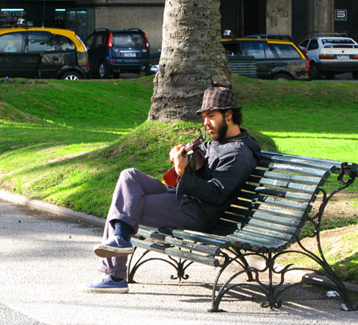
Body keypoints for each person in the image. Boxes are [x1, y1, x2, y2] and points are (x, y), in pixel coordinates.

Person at [84, 86, 262, 293]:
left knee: (126, 204)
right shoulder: (220, 140)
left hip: (196, 212)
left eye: (211, 116)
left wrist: (182, 172)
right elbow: (201, 151)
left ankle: (115, 276)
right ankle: (121, 239)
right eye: (204, 117)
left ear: (229, 115)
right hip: (181, 197)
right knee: (129, 176)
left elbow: (216, 194)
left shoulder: (238, 154)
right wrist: (180, 150)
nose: (206, 123)